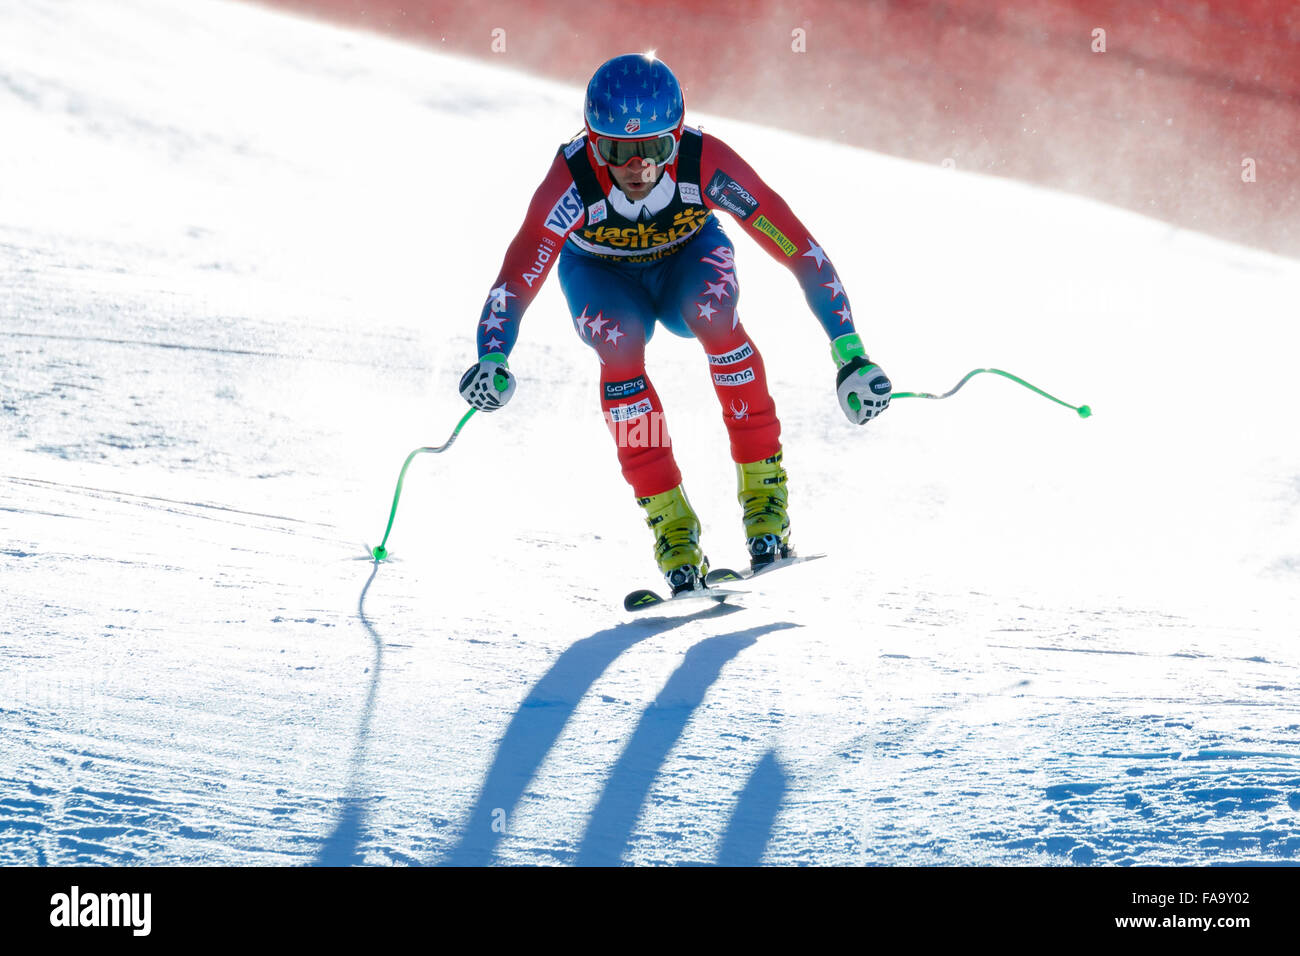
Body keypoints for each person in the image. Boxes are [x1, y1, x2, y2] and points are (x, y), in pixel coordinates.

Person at [459, 53, 891, 595]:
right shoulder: (568, 180)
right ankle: (672, 529)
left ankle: (765, 502)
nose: (638, 166)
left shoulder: (707, 162)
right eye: (619, 151)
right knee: (618, 344)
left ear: (678, 137)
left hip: (688, 263)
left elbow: (797, 248)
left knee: (710, 313)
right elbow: (519, 274)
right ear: (594, 143)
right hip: (602, 275)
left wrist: (848, 350)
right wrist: (493, 354)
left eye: (656, 148)